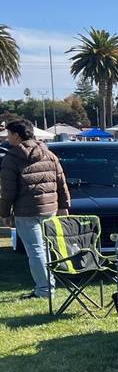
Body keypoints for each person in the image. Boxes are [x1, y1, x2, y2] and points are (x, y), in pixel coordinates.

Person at [0, 120, 71, 299]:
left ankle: (44, 289)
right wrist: (64, 205)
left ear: (16, 136)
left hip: (26, 211)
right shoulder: (48, 153)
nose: (7, 138)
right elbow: (61, 182)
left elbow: (8, 190)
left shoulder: (12, 157)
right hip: (50, 209)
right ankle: (49, 285)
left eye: (9, 134)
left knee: (36, 250)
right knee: (47, 248)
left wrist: (5, 214)